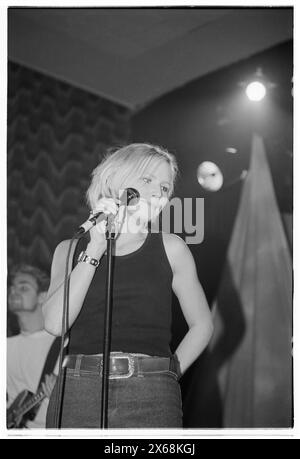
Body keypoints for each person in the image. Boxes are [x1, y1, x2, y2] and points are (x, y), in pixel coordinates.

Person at [43, 143, 214, 428]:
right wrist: (95, 248)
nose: (158, 192)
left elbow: (203, 325)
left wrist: (168, 373)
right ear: (113, 181)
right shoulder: (70, 249)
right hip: (77, 390)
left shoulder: (172, 247)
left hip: (152, 391)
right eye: (147, 180)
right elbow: (54, 324)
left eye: (164, 187)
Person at [7, 264, 57, 429]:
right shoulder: (6, 346)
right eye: (12, 288)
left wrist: (63, 390)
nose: (13, 292)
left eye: (23, 287)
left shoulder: (62, 343)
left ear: (42, 296)